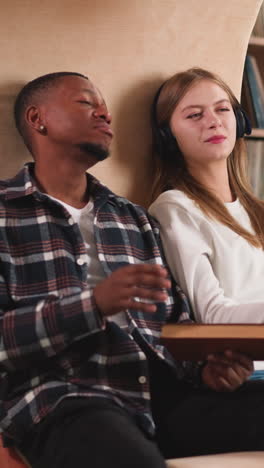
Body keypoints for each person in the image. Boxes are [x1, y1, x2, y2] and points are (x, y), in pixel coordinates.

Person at [0, 71, 263, 468]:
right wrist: (93, 305)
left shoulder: (132, 219)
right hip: (67, 398)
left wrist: (207, 369)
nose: (105, 114)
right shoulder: (5, 214)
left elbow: (176, 322)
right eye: (87, 103)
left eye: (105, 106)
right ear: (39, 119)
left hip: (160, 396)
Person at [148, 67, 264, 379]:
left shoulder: (257, 210)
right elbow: (211, 315)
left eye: (222, 109)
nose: (213, 121)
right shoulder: (174, 209)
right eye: (194, 115)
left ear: (238, 121)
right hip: (246, 375)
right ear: (168, 137)